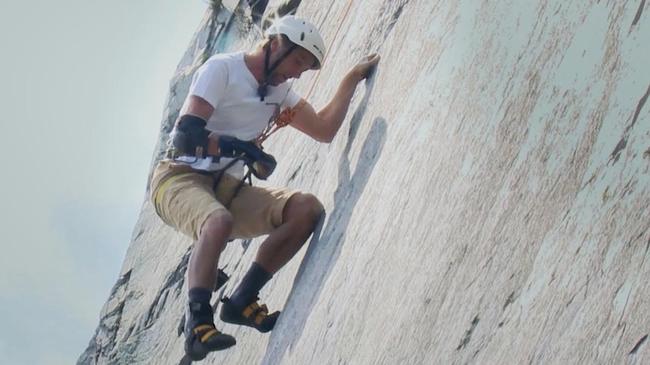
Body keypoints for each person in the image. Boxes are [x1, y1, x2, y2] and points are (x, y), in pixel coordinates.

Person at [149, 15, 380, 361]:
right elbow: (186, 136)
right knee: (218, 222)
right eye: (298, 61)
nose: (298, 73)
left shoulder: (278, 94)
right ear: (276, 44)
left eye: (305, 68)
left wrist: (352, 77)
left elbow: (324, 129)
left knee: (306, 210)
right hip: (178, 178)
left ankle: (242, 300)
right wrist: (241, 149)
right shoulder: (223, 68)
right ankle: (197, 325)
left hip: (225, 187)